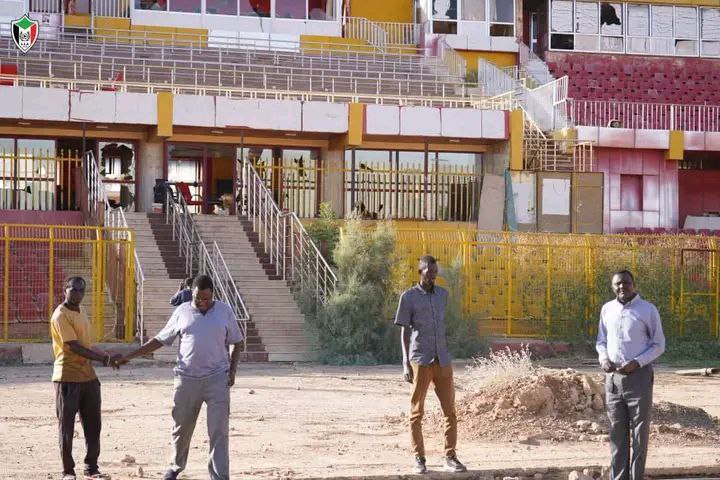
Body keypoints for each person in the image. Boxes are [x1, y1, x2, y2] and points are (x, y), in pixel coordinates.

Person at [118, 275, 244, 480]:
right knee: (181, 428)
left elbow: (237, 342)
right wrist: (129, 356)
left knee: (219, 430)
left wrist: (232, 371)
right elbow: (160, 339)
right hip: (186, 379)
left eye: (206, 299)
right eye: (197, 298)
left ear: (213, 294)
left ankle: (220, 475)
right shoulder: (182, 311)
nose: (202, 303)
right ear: (191, 294)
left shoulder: (224, 311)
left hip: (217, 379)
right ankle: (175, 467)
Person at [394, 255, 467, 474]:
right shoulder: (408, 297)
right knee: (417, 412)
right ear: (421, 271)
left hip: (442, 360)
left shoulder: (442, 295)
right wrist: (405, 363)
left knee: (450, 411)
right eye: (429, 271)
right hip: (420, 360)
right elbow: (404, 331)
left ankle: (450, 457)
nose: (433, 275)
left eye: (435, 272)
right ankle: (419, 458)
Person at [51, 276, 122, 480]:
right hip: (67, 376)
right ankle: (68, 471)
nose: (77, 294)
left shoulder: (82, 312)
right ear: (65, 290)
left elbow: (87, 345)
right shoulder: (60, 315)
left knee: (93, 424)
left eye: (81, 290)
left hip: (88, 376)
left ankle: (91, 468)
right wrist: (104, 359)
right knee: (66, 427)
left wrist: (107, 357)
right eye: (74, 289)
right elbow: (73, 346)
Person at [597, 270, 666, 480]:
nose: (621, 287)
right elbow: (601, 341)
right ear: (613, 286)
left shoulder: (648, 310)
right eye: (617, 284)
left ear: (633, 284)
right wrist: (604, 359)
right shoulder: (607, 309)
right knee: (616, 434)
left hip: (639, 377)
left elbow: (659, 344)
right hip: (613, 380)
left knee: (639, 435)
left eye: (626, 283)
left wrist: (636, 362)